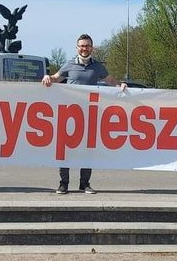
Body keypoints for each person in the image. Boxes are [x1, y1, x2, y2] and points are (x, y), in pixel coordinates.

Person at [41, 34, 126, 194]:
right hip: (70, 114)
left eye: (87, 46)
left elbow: (110, 80)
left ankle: (84, 183)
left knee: (87, 149)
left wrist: (120, 85)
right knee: (66, 149)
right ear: (77, 48)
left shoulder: (98, 66)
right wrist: (48, 77)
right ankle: (63, 183)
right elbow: (56, 78)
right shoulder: (69, 64)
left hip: (89, 114)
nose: (84, 48)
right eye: (81, 46)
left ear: (92, 48)